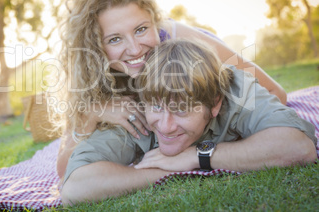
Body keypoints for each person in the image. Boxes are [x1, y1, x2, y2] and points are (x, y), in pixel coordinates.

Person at [55, 0, 287, 180]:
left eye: (141, 29)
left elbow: (276, 93)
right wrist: (93, 114)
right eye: (115, 39)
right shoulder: (89, 72)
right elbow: (65, 172)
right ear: (95, 46)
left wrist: (197, 152)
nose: (135, 49)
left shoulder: (185, 41)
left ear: (154, 21)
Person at [60, 39, 317, 205]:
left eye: (182, 109)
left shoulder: (236, 89)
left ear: (215, 103)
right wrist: (163, 170)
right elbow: (75, 187)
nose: (165, 126)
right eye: (157, 107)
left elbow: (299, 147)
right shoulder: (139, 113)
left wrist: (199, 156)